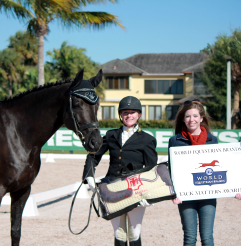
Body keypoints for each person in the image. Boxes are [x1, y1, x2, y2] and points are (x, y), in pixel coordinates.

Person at [82, 96, 158, 246]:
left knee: (134, 232)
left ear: (139, 115)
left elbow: (151, 168)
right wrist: (89, 175)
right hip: (113, 188)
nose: (128, 116)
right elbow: (93, 155)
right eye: (125, 112)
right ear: (120, 115)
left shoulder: (147, 139)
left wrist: (150, 193)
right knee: (119, 232)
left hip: (135, 189)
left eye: (132, 112)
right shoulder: (111, 135)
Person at [168, 99, 218, 246]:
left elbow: (218, 169)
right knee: (189, 237)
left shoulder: (212, 140)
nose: (192, 120)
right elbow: (172, 170)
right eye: (188, 116)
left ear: (201, 118)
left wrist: (235, 188)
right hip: (185, 195)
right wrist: (173, 192)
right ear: (183, 119)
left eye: (195, 116)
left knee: (207, 237)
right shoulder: (175, 141)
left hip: (208, 193)